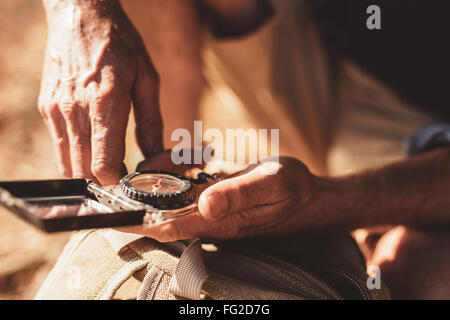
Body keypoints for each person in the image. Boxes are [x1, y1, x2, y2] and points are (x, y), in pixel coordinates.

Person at [38, 0, 450, 299]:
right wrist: (76, 10)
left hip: (421, 143)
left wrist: (326, 201)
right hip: (320, 49)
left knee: (428, 276)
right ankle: (167, 184)